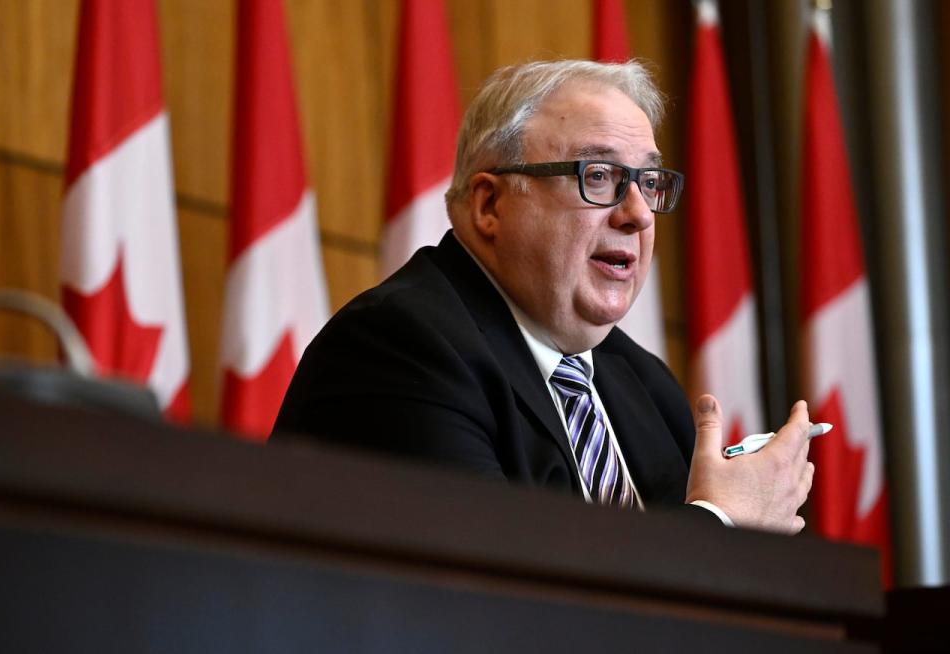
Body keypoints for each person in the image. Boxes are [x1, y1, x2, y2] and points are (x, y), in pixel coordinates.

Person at [273, 59, 814, 533]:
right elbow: (504, 596)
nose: (639, 215)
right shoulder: (398, 347)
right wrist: (722, 526)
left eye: (648, 183)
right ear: (490, 205)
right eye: (598, 176)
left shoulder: (640, 382)